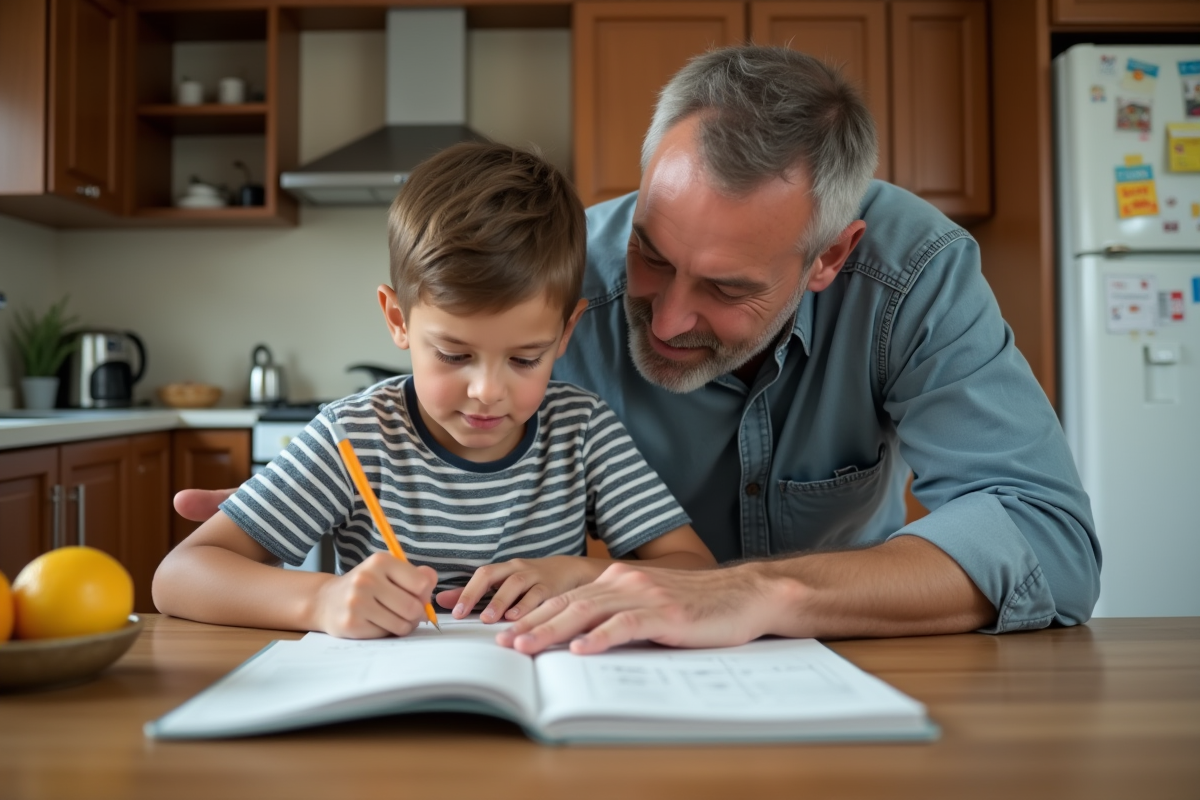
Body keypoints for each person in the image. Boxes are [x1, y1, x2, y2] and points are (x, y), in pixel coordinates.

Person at [177, 45, 1100, 653]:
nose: (660, 324)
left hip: (828, 669)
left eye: (730, 290)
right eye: (651, 256)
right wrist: (303, 536)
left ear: (829, 257)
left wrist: (761, 595)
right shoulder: (555, 276)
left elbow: (1044, 540)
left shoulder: (913, 276)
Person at [153, 143, 715, 639]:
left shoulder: (582, 431)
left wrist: (580, 574)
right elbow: (180, 576)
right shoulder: (355, 435)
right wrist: (320, 600)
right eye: (454, 355)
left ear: (566, 331)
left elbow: (697, 573)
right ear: (397, 319)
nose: (487, 392)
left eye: (525, 358)